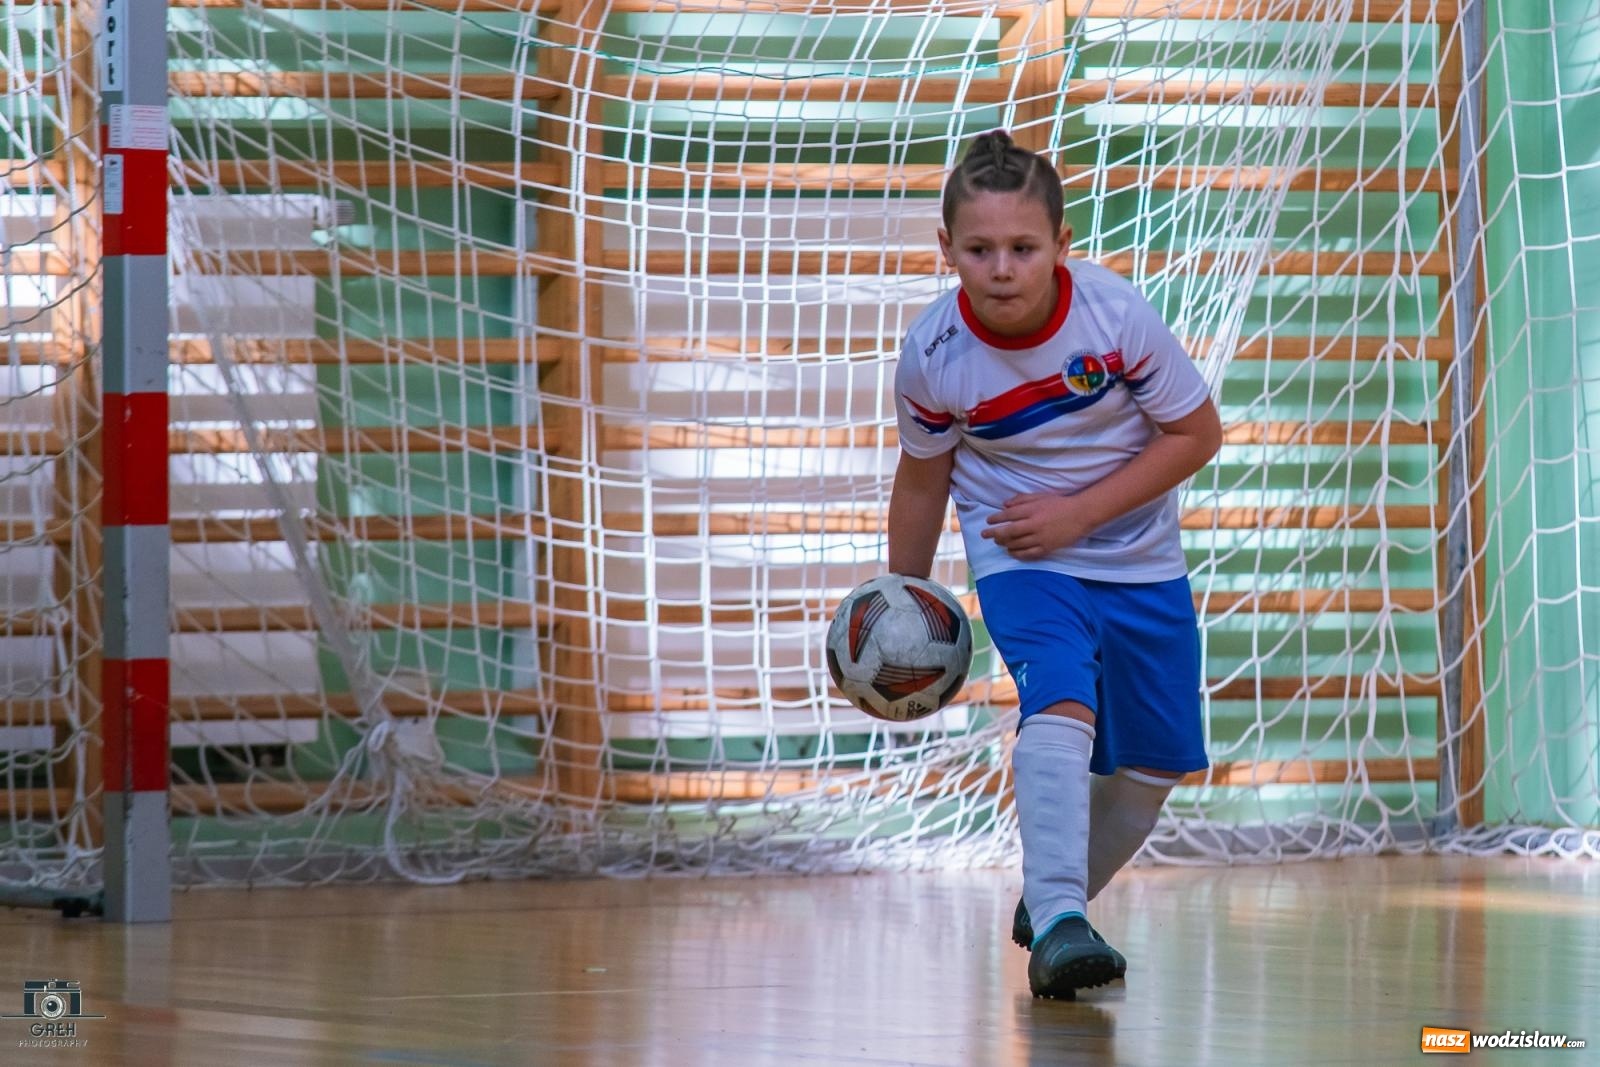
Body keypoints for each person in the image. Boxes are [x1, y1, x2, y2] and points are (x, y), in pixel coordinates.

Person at [887, 130, 1222, 1000]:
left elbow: (1197, 434)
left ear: (1061, 246)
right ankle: (1065, 918)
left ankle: (1051, 901)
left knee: (1156, 767)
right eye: (979, 249)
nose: (1001, 268)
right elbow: (922, 481)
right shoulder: (932, 354)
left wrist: (1079, 512)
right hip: (1020, 556)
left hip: (1139, 558)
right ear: (946, 249)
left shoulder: (1115, 315)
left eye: (1023, 248)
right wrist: (905, 597)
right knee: (1060, 698)